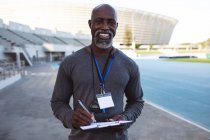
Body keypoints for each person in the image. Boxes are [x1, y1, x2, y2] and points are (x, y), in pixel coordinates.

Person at [51, 4, 144, 140]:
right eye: (99, 21)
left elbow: (137, 101)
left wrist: (125, 118)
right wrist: (71, 117)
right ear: (90, 24)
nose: (105, 27)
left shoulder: (129, 65)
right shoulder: (70, 63)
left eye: (110, 22)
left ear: (116, 26)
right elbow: (58, 102)